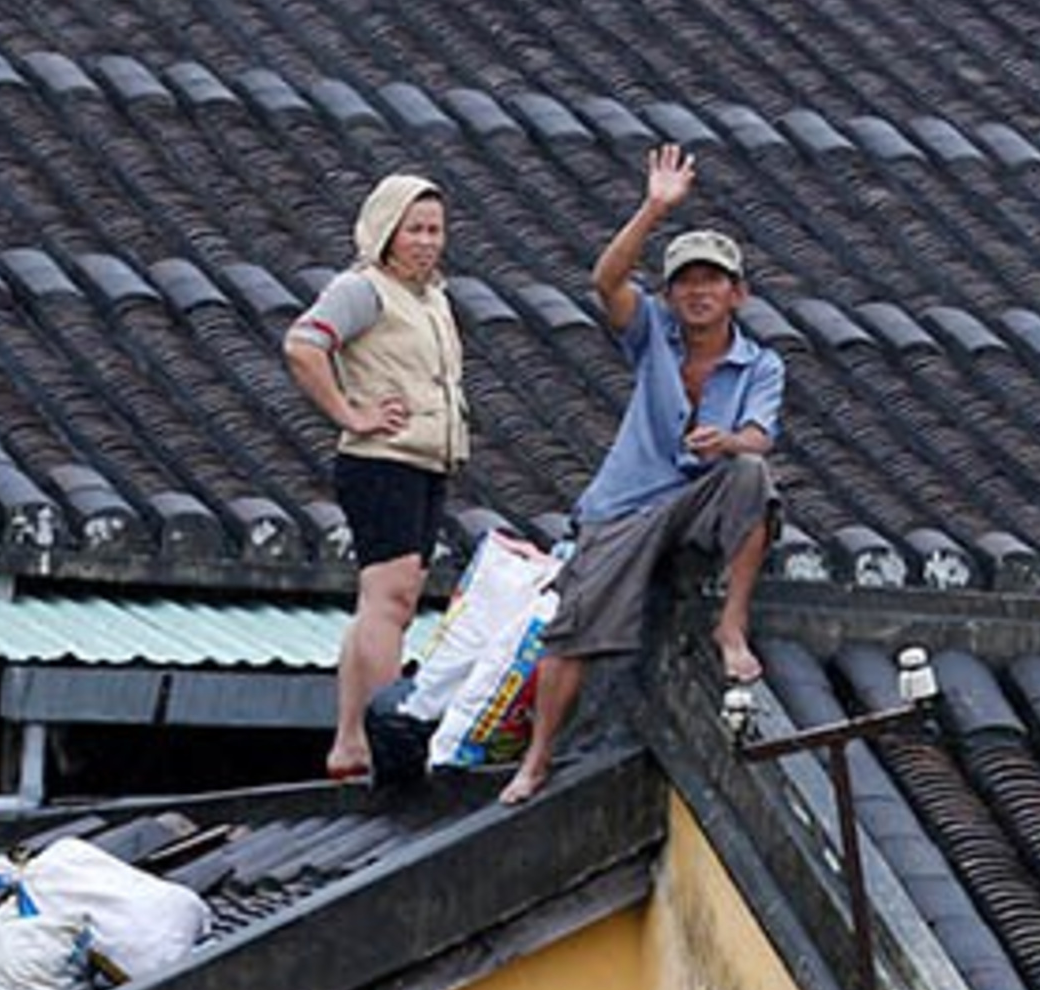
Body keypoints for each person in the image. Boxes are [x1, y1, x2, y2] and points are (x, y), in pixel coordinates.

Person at [499, 145, 784, 806]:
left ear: (736, 293)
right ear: (671, 291)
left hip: (699, 496)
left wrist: (727, 441)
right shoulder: (653, 328)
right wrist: (655, 207)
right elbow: (606, 281)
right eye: (687, 280)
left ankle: (730, 626)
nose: (699, 292)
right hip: (625, 504)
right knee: (572, 629)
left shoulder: (760, 363)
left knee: (753, 476)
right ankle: (537, 760)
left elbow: (760, 436)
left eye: (713, 280)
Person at [284, 171, 469, 781]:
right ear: (386, 230)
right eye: (414, 229)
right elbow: (304, 344)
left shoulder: (432, 297)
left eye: (435, 230)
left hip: (423, 459)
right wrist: (348, 412)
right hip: (381, 461)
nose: (425, 241)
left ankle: (350, 740)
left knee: (389, 600)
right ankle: (387, 736)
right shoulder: (364, 288)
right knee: (389, 600)